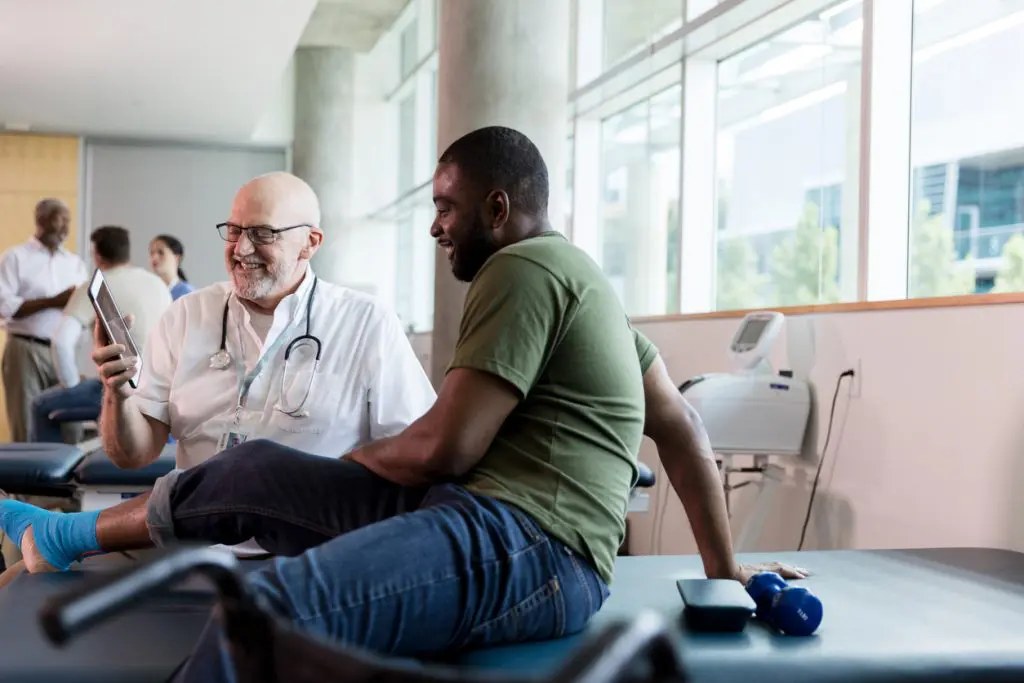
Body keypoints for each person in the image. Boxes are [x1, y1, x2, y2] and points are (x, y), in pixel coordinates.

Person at [0, 129, 800, 677]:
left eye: (447, 208)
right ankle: (59, 532)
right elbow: (685, 427)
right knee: (252, 470)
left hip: (532, 546)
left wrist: (341, 470)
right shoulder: (580, 282)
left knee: (269, 604)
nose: (436, 227)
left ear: (497, 208)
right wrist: (725, 576)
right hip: (481, 515)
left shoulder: (520, 271)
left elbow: (440, 447)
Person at [28, 226, 173, 443]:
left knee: (40, 405)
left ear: (96, 254)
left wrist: (71, 384)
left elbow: (61, 341)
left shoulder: (93, 285)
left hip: (121, 385)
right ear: (127, 252)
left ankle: (52, 472)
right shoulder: (157, 284)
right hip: (161, 386)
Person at [0, 199, 87, 442]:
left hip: (65, 351)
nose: (66, 228)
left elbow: (84, 311)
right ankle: (23, 479)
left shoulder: (75, 264)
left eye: (68, 221)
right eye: (61, 220)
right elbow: (4, 306)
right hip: (25, 350)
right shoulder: (14, 258)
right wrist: (53, 301)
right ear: (41, 220)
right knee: (26, 424)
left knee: (72, 424)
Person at [149, 234, 195, 300]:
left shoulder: (188, 295)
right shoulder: (148, 292)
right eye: (151, 253)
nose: (154, 258)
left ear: (177, 258)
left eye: (161, 252)